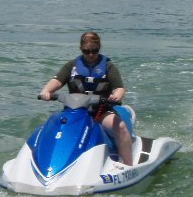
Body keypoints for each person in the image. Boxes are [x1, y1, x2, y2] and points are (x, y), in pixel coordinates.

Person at [38, 31, 134, 166]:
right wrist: (46, 91)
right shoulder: (71, 66)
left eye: (94, 51)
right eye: (86, 51)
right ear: (81, 49)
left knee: (121, 128)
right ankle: (49, 161)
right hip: (75, 112)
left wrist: (117, 95)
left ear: (99, 48)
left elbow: (119, 88)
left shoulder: (108, 67)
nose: (90, 55)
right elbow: (57, 81)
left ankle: (129, 165)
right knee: (52, 127)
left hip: (100, 112)